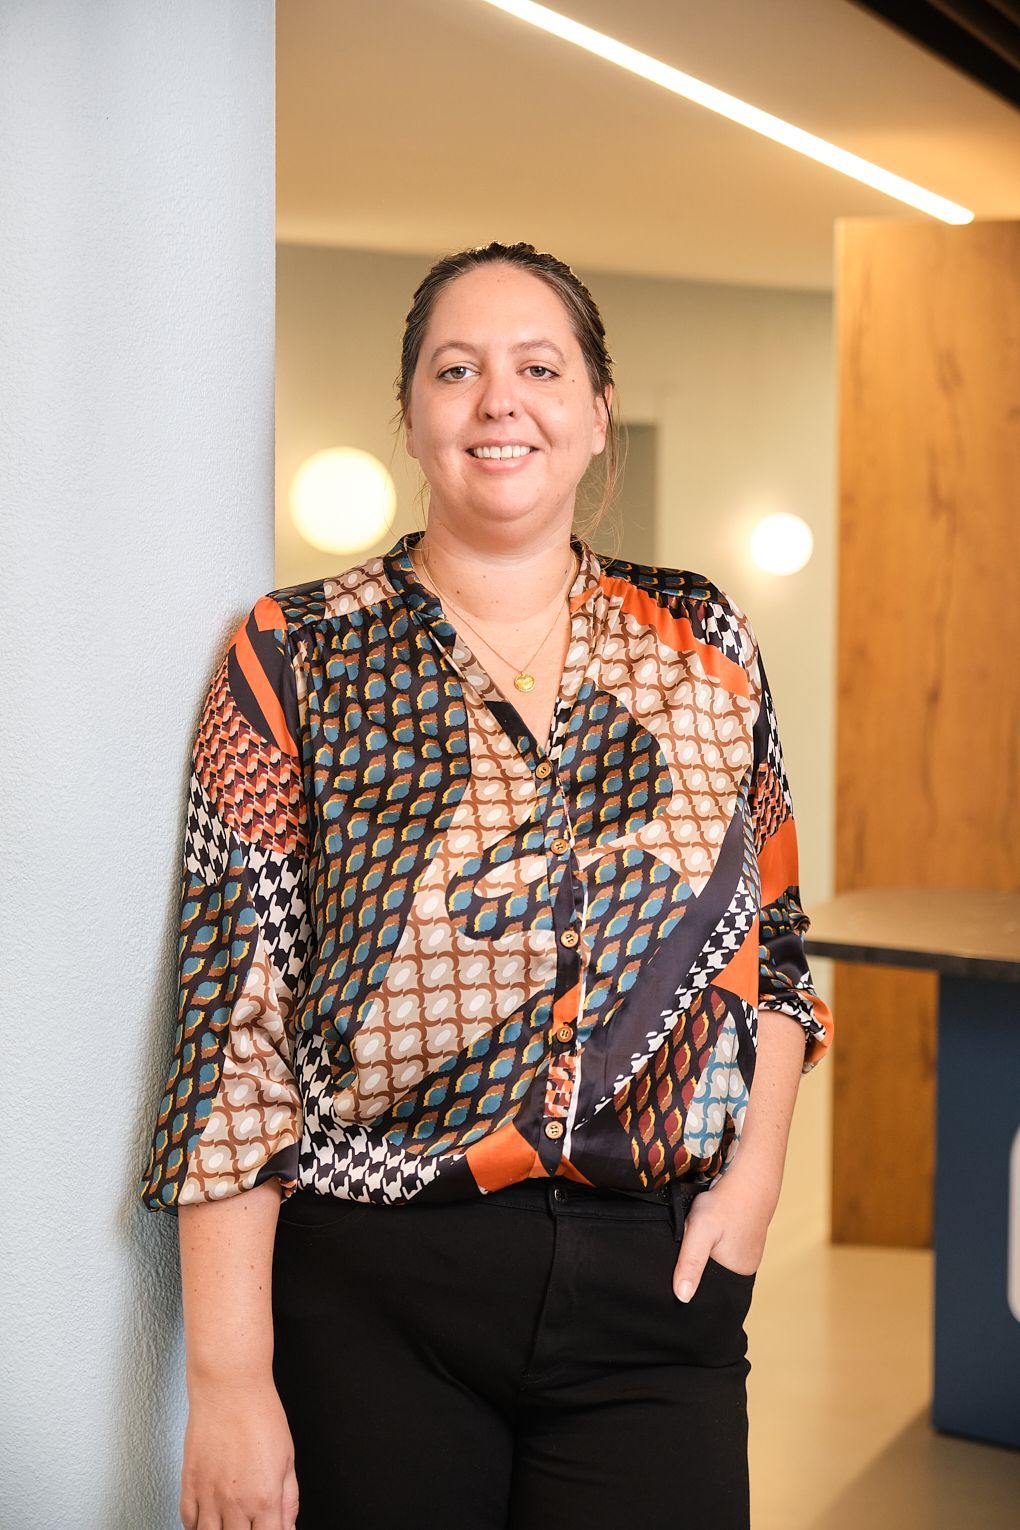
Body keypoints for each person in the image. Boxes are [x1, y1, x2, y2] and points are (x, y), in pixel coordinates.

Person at [139, 239, 834, 1530]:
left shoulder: (703, 641)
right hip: (378, 1286)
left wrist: (751, 1192)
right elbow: (232, 1035)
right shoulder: (297, 654)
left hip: (655, 1283)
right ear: (410, 416)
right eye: (456, 370)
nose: (498, 399)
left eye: (538, 367)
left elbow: (775, 945)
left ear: (593, 414)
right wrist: (231, 1380)